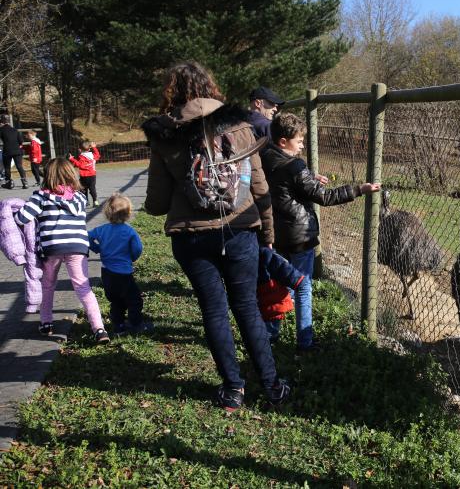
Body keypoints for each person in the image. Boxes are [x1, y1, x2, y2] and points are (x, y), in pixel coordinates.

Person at [142, 60, 289, 412]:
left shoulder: (165, 135)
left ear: (171, 91)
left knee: (214, 310)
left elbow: (158, 203)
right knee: (247, 307)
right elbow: (258, 186)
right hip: (240, 229)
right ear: (212, 85)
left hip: (192, 238)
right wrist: (267, 231)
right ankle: (272, 386)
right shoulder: (240, 125)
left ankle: (233, 389)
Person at [262, 112, 380, 351]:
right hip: (300, 235)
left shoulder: (265, 158)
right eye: (299, 141)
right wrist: (359, 189)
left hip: (277, 232)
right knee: (302, 287)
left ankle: (269, 335)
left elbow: (286, 183)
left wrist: (307, 177)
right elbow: (325, 196)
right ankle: (305, 342)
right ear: (283, 141)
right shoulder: (295, 166)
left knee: (278, 284)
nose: (302, 145)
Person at [15, 157, 109, 342]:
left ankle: (46, 322)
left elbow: (21, 218)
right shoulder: (81, 197)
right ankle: (99, 329)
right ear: (71, 174)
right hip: (78, 246)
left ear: (47, 175)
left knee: (48, 285)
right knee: (83, 287)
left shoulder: (40, 197)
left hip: (52, 248)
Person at [88, 193, 153, 336]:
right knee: (134, 300)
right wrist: (132, 258)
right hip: (124, 273)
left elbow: (87, 237)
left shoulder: (102, 229)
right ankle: (136, 324)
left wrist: (97, 248)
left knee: (116, 302)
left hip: (107, 273)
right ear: (128, 213)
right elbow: (137, 249)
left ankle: (119, 327)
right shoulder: (129, 231)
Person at [69, 141, 100, 207]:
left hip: (84, 176)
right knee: (92, 188)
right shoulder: (93, 155)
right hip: (92, 176)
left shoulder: (82, 157)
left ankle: (86, 201)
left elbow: (79, 165)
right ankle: (95, 201)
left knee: (83, 189)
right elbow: (98, 155)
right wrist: (94, 148)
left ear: (80, 149)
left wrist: (72, 159)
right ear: (89, 149)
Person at [1, 114, 28, 189]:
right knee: (19, 166)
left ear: (2, 121)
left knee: (7, 167)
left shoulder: (1, 129)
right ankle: (25, 183)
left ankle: (9, 183)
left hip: (7, 151)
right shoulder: (14, 130)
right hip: (17, 150)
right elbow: (21, 141)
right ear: (9, 121)